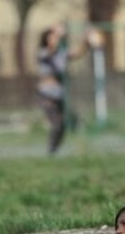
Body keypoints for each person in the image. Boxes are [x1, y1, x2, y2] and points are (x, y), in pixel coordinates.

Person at [36, 23, 102, 155]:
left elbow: (78, 53)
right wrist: (58, 33)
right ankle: (51, 150)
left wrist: (86, 39)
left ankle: (54, 151)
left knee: (63, 125)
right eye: (52, 37)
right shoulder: (43, 52)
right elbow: (50, 52)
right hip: (47, 94)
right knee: (57, 124)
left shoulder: (61, 53)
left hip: (59, 94)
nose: (55, 39)